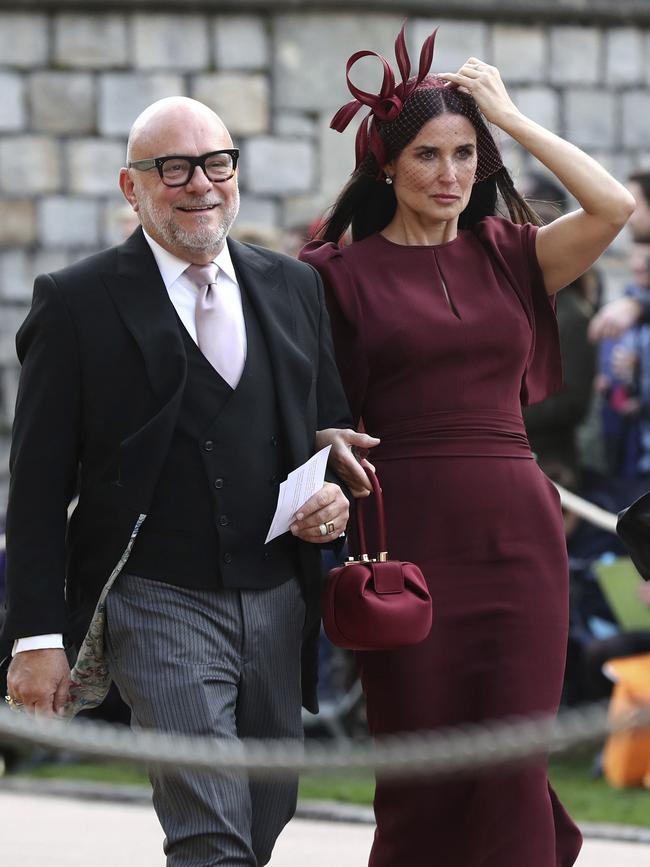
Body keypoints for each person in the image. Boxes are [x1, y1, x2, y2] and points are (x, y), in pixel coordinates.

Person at [301, 23, 634, 867]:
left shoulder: (513, 254)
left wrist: (509, 118)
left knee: (512, 758)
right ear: (385, 164)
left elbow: (613, 206)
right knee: (421, 765)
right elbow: (296, 403)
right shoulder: (334, 277)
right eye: (426, 156)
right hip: (407, 530)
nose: (449, 175)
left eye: (464, 154)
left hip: (521, 535)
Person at [1, 96, 354, 867]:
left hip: (277, 599)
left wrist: (332, 504)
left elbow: (325, 434)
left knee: (265, 811)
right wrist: (34, 637)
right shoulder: (76, 301)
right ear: (133, 188)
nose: (201, 183)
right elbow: (34, 486)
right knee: (209, 829)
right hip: (156, 598)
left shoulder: (293, 288)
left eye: (217, 163)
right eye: (174, 168)